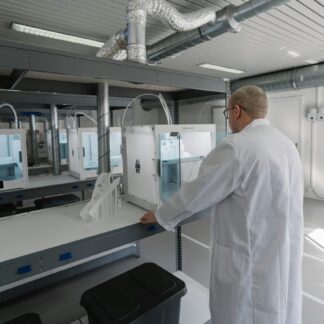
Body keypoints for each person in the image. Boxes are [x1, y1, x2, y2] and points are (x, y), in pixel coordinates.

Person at [140, 85, 304, 324]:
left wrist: (162, 214)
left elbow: (197, 192)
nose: (229, 122)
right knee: (277, 303)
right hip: (281, 248)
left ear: (237, 110)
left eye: (228, 114)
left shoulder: (237, 146)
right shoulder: (287, 145)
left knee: (244, 309)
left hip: (248, 252)